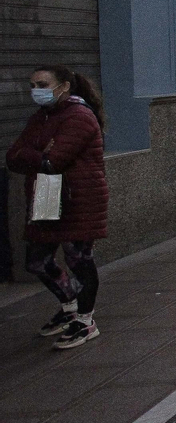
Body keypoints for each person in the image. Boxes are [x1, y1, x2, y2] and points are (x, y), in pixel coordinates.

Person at [6, 65, 109, 349]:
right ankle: (69, 308)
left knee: (79, 261)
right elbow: (12, 157)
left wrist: (35, 154)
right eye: (32, 85)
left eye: (41, 84)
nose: (35, 90)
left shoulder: (80, 116)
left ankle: (86, 321)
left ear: (63, 86)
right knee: (37, 261)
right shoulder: (42, 117)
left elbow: (54, 161)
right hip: (47, 198)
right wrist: (38, 153)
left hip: (78, 200)